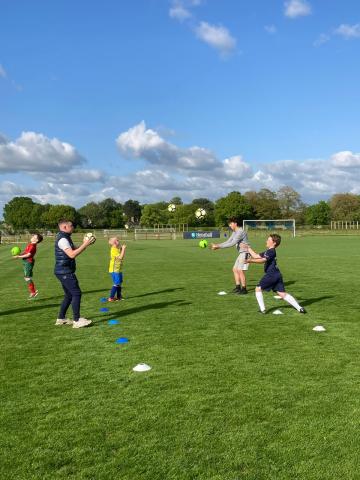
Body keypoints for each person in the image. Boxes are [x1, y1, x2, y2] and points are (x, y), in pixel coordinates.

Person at [242, 233, 306, 314]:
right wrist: (248, 248)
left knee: (258, 288)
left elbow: (262, 260)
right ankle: (300, 308)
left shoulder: (271, 252)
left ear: (274, 243)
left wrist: (249, 261)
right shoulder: (268, 251)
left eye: (268, 240)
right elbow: (255, 256)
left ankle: (262, 310)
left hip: (271, 274)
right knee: (282, 293)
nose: (266, 241)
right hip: (277, 274)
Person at [54, 219, 94, 328]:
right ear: (65, 227)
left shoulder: (65, 237)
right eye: (71, 226)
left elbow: (74, 249)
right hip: (65, 271)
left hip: (62, 271)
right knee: (76, 293)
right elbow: (71, 254)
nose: (73, 227)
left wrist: (85, 244)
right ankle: (77, 320)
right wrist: (85, 244)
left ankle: (61, 318)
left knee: (69, 295)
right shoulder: (62, 239)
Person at [211, 217, 250, 294]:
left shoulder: (240, 232)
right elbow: (228, 241)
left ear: (235, 223)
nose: (229, 225)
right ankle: (238, 287)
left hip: (245, 253)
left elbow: (232, 243)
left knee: (240, 270)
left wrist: (218, 247)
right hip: (241, 253)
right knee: (235, 269)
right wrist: (217, 245)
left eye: (231, 223)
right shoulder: (235, 232)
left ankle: (244, 289)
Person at [13, 233, 43, 299]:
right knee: (26, 277)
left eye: (34, 236)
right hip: (26, 262)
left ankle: (33, 292)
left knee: (27, 277)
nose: (32, 237)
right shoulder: (30, 244)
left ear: (36, 240)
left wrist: (18, 256)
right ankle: (33, 291)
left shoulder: (32, 246)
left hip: (28, 262)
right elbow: (26, 253)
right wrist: (19, 254)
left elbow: (28, 255)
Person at [108, 237, 126, 302]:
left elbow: (121, 255)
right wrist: (123, 249)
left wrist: (121, 249)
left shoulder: (117, 248)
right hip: (114, 269)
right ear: (115, 242)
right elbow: (120, 257)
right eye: (117, 240)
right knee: (116, 283)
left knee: (119, 283)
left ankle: (119, 297)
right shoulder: (113, 249)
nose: (119, 241)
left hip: (118, 269)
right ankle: (111, 298)